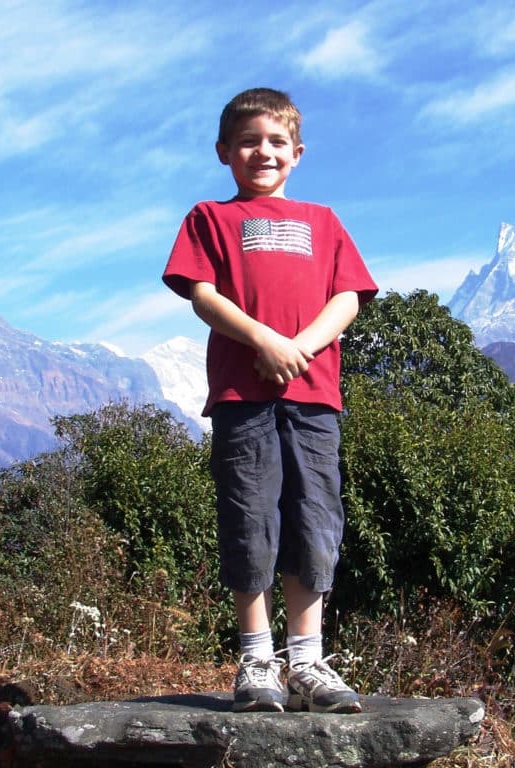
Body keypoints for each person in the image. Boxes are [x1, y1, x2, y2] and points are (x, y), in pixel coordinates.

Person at [162, 87, 377, 713]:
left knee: (315, 519)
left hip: (314, 394)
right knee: (250, 518)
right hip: (242, 395)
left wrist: (298, 348)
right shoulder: (209, 217)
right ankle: (257, 660)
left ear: (298, 152)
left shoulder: (324, 221)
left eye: (277, 141)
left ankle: (307, 662)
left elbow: (348, 298)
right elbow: (203, 295)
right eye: (249, 141)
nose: (264, 152)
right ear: (223, 151)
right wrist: (263, 340)